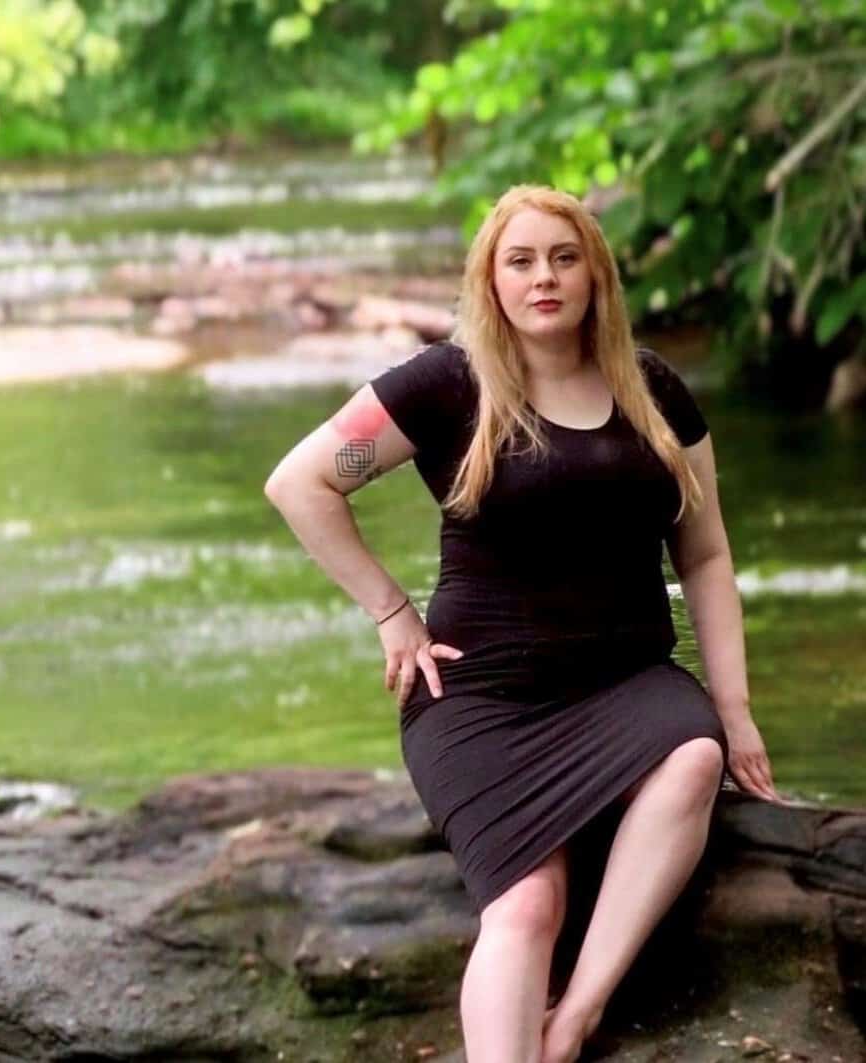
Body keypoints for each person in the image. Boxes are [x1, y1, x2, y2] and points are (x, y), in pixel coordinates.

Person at [263, 184, 783, 1063]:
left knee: (692, 754)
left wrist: (732, 708)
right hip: (480, 697)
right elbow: (302, 482)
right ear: (491, 280)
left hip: (627, 685)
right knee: (530, 902)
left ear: (596, 276)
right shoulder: (443, 386)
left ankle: (577, 1012)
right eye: (521, 260)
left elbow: (705, 556)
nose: (544, 277)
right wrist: (393, 613)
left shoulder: (655, 391)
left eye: (564, 257)